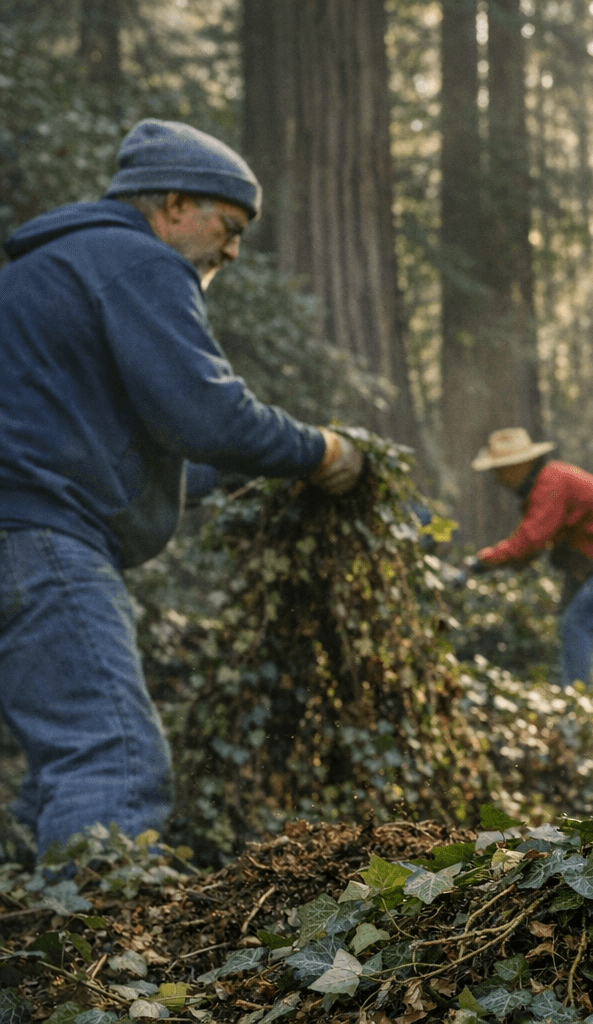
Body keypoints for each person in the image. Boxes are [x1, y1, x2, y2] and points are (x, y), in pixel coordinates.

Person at [0, 119, 365, 860]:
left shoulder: (51, 268)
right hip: (39, 540)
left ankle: (36, 918)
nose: (232, 252)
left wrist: (246, 478)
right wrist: (321, 451)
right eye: (228, 228)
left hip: (18, 535)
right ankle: (91, 934)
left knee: (56, 767)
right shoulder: (139, 261)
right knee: (114, 759)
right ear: (173, 206)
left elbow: (117, 448)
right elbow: (208, 415)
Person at [467, 427, 593, 702]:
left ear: (519, 466)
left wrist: (480, 562)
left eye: (501, 470)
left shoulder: (550, 483)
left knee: (576, 622)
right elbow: (539, 544)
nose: (498, 479)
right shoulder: (548, 482)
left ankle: (575, 706)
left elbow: (530, 539)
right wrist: (506, 563)